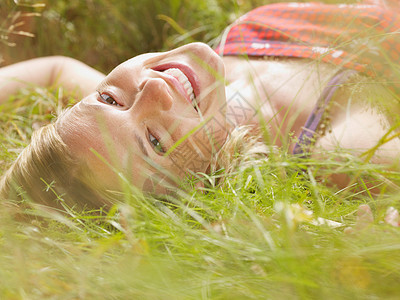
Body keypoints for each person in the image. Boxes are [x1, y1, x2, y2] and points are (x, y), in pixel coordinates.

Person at [1, 1, 400, 211]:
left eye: (107, 99)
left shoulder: (141, 115)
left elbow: (55, 70)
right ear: (197, 187)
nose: (153, 89)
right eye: (156, 142)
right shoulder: (346, 148)